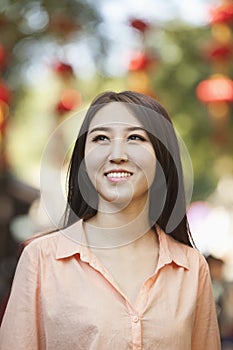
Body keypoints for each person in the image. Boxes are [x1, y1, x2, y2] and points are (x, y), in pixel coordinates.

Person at [0, 91, 220, 349]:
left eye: (135, 138)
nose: (117, 154)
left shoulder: (191, 268)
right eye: (101, 138)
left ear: (162, 157)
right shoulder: (41, 259)